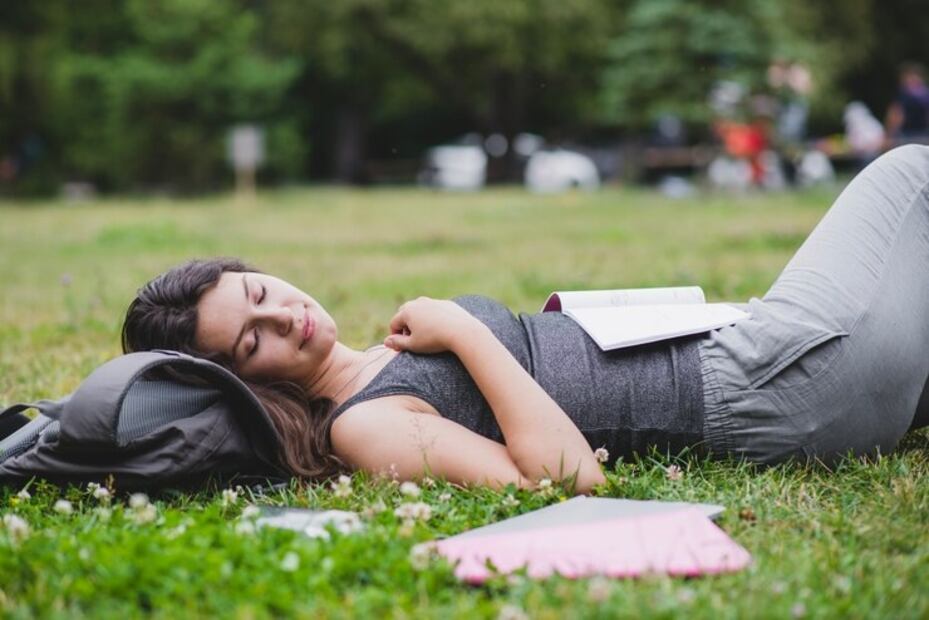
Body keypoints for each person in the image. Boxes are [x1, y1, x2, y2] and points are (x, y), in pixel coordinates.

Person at [122, 146, 929, 494]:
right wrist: (464, 330)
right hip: (767, 388)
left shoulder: (381, 356)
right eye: (251, 339)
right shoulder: (361, 430)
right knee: (906, 174)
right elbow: (563, 482)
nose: (285, 316)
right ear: (244, 384)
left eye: (261, 292)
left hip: (748, 349)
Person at [885, 63, 929, 144]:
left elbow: (896, 115)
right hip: (924, 135)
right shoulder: (926, 94)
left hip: (906, 136)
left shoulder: (904, 94)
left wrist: (889, 135)